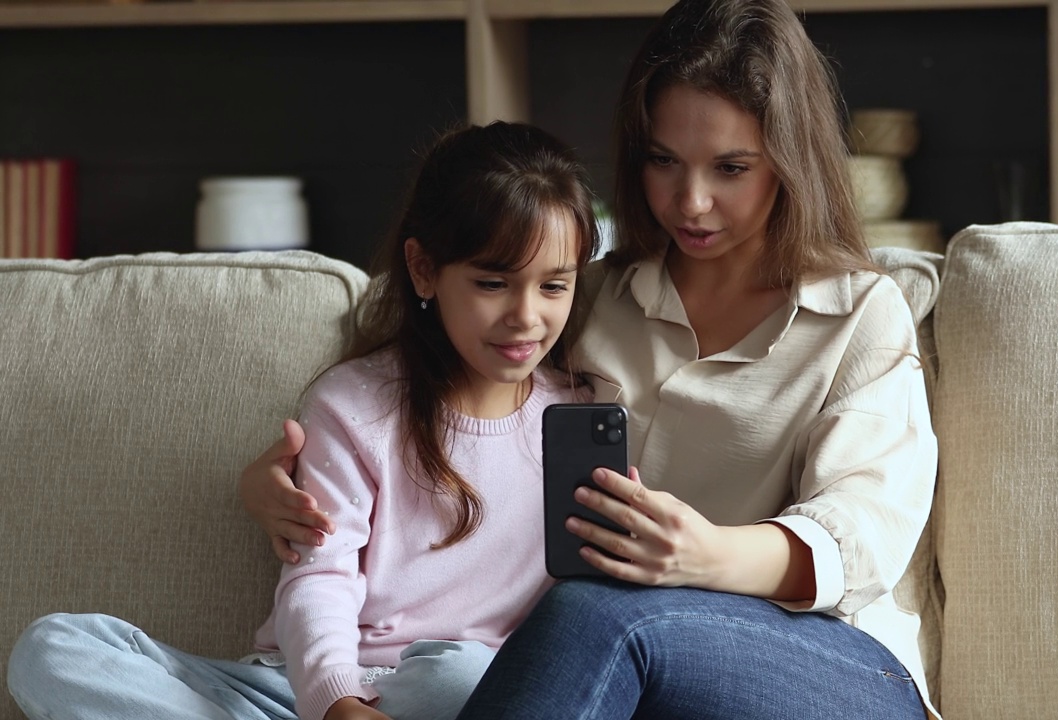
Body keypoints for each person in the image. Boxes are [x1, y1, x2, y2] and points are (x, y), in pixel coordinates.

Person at [240, 0, 939, 718]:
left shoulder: (860, 314)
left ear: (790, 163)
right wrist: (274, 481)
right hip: (633, 671)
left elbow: (862, 535)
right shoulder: (586, 297)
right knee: (587, 624)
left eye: (731, 168)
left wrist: (703, 557)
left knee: (599, 612)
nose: (691, 201)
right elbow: (433, 375)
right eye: (663, 161)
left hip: (827, 669)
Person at [6, 121, 600, 720]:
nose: (526, 316)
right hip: (295, 690)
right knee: (52, 649)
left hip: (445, 693)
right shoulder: (355, 405)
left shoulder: (582, 418)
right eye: (492, 283)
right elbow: (320, 576)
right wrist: (336, 700)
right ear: (422, 269)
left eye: (554, 285)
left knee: (466, 676)